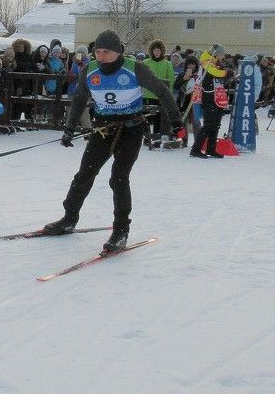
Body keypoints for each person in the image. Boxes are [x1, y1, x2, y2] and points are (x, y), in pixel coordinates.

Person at [42, 29, 181, 253]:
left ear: (118, 52)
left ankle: (120, 231)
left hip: (131, 129)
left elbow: (162, 91)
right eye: (97, 51)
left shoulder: (135, 67)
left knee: (118, 179)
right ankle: (68, 219)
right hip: (103, 128)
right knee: (84, 175)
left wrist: (177, 121)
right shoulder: (89, 69)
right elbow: (79, 100)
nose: (101, 55)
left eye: (106, 51)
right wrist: (69, 128)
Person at [190, 46, 232, 159]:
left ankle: (211, 149)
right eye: (222, 55)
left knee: (216, 125)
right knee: (209, 125)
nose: (222, 58)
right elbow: (214, 73)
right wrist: (226, 73)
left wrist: (227, 75)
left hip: (218, 97)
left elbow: (218, 77)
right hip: (209, 97)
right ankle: (196, 149)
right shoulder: (206, 62)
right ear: (217, 54)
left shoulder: (216, 63)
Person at [142, 39, 175, 139]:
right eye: (155, 50)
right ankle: (146, 136)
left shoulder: (167, 64)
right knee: (146, 117)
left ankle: (156, 137)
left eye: (158, 51)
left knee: (158, 118)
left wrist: (169, 95)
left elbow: (171, 80)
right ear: (151, 51)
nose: (156, 53)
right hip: (147, 94)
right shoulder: (145, 62)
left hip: (161, 95)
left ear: (162, 52)